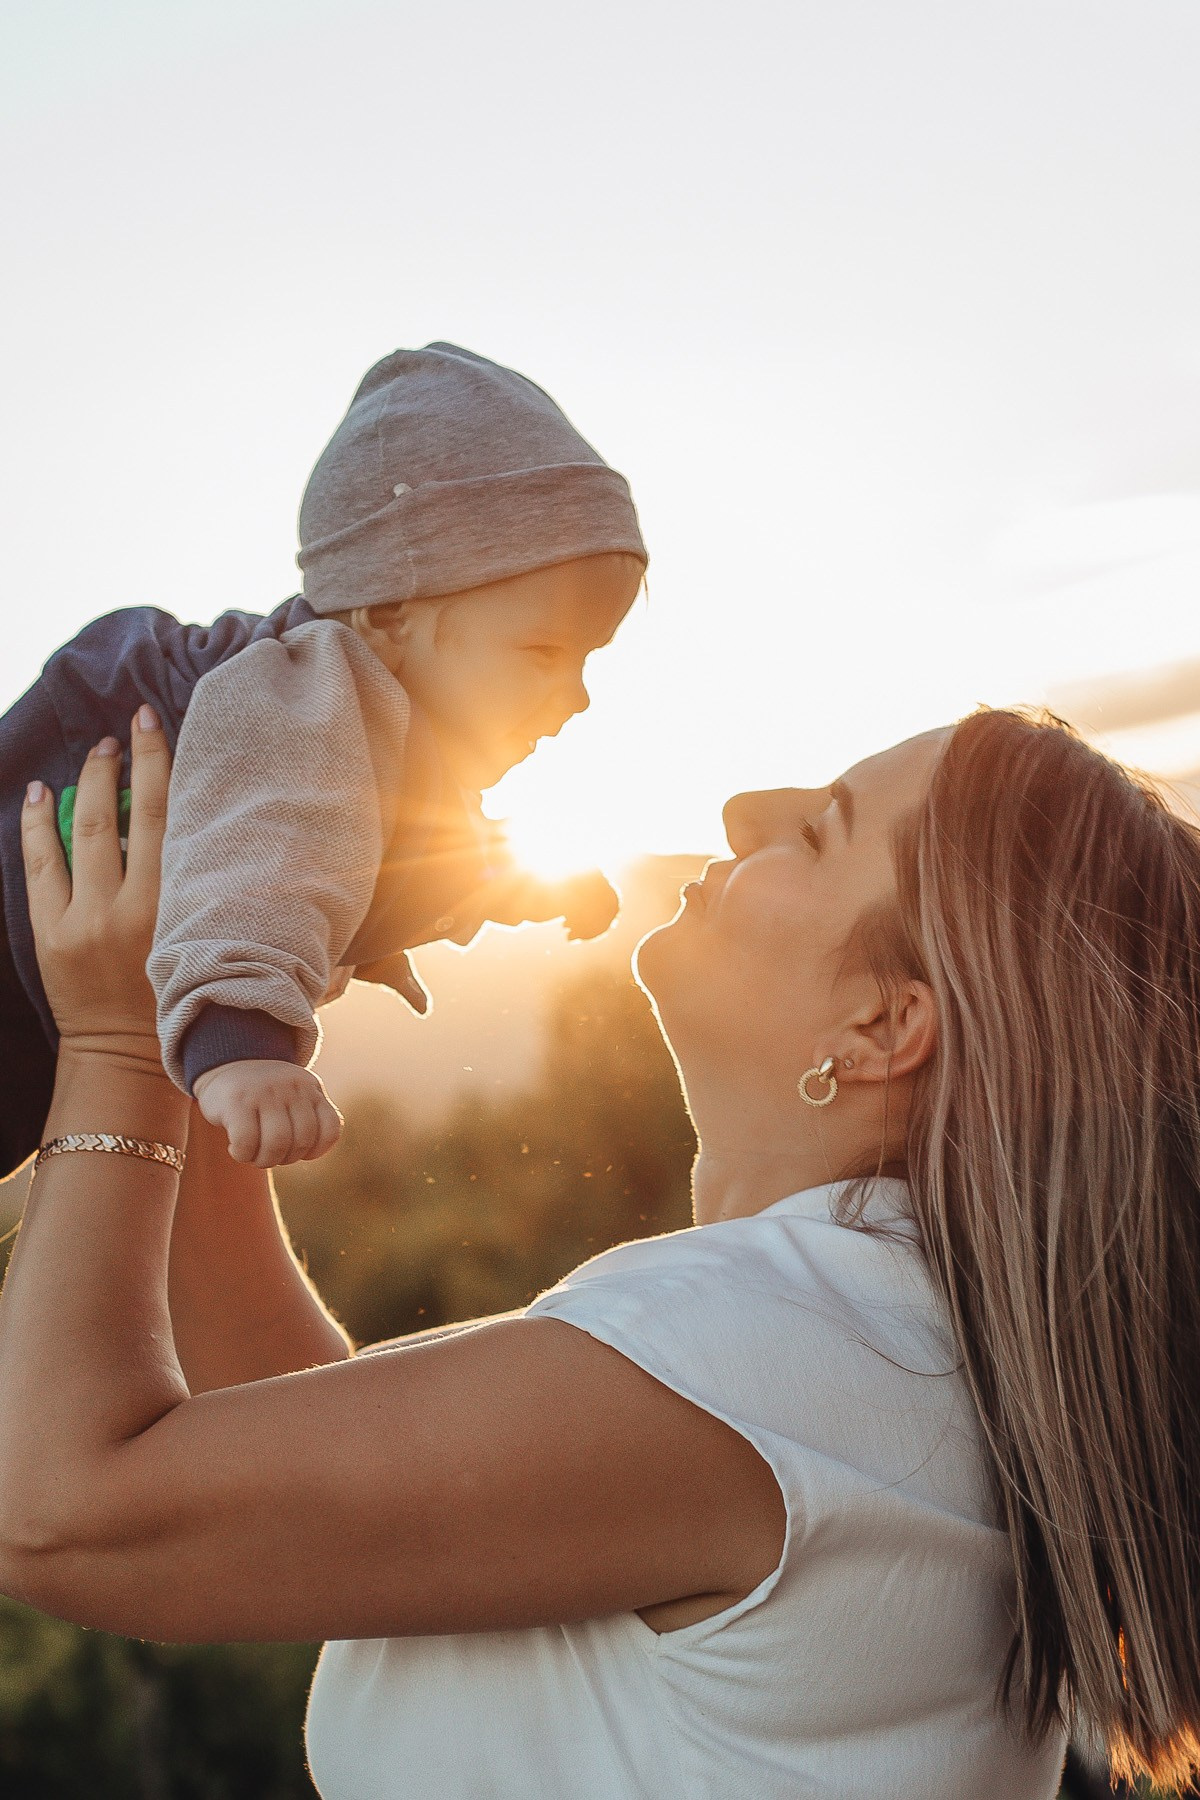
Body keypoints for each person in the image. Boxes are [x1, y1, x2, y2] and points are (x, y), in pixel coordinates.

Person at [0, 702, 1197, 1799]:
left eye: (822, 829)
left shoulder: (774, 1351)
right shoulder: (873, 1354)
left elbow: (56, 1513)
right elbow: (303, 1460)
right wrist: (201, 1009)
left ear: (885, 1027)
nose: (746, 812)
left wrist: (109, 1040)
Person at [0, 342, 646, 1178]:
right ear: (386, 613)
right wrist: (244, 1040)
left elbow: (417, 845)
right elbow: (265, 846)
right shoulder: (307, 694)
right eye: (544, 650)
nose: (576, 695)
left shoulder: (386, 740)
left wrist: (524, 890)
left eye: (589, 658)